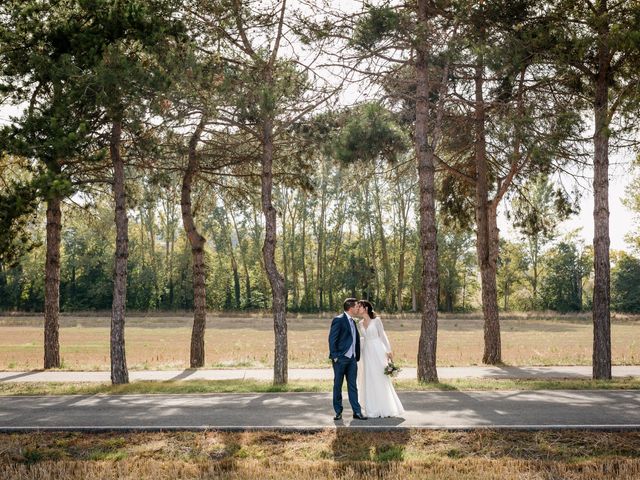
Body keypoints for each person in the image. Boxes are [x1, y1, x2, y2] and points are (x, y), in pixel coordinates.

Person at [356, 299, 405, 418]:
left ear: (366, 308)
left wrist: (388, 350)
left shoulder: (376, 320)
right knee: (369, 377)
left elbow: (383, 335)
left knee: (380, 377)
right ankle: (372, 409)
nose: (358, 308)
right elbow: (362, 339)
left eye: (360, 306)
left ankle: (386, 407)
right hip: (367, 351)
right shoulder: (360, 323)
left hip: (378, 350)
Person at [328, 298, 367, 420]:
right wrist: (335, 357)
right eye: (356, 306)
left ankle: (357, 412)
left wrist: (355, 356)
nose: (357, 308)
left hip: (352, 360)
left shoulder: (353, 322)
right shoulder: (338, 320)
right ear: (350, 307)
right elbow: (332, 339)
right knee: (338, 385)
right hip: (340, 359)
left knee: (352, 386)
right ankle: (338, 412)